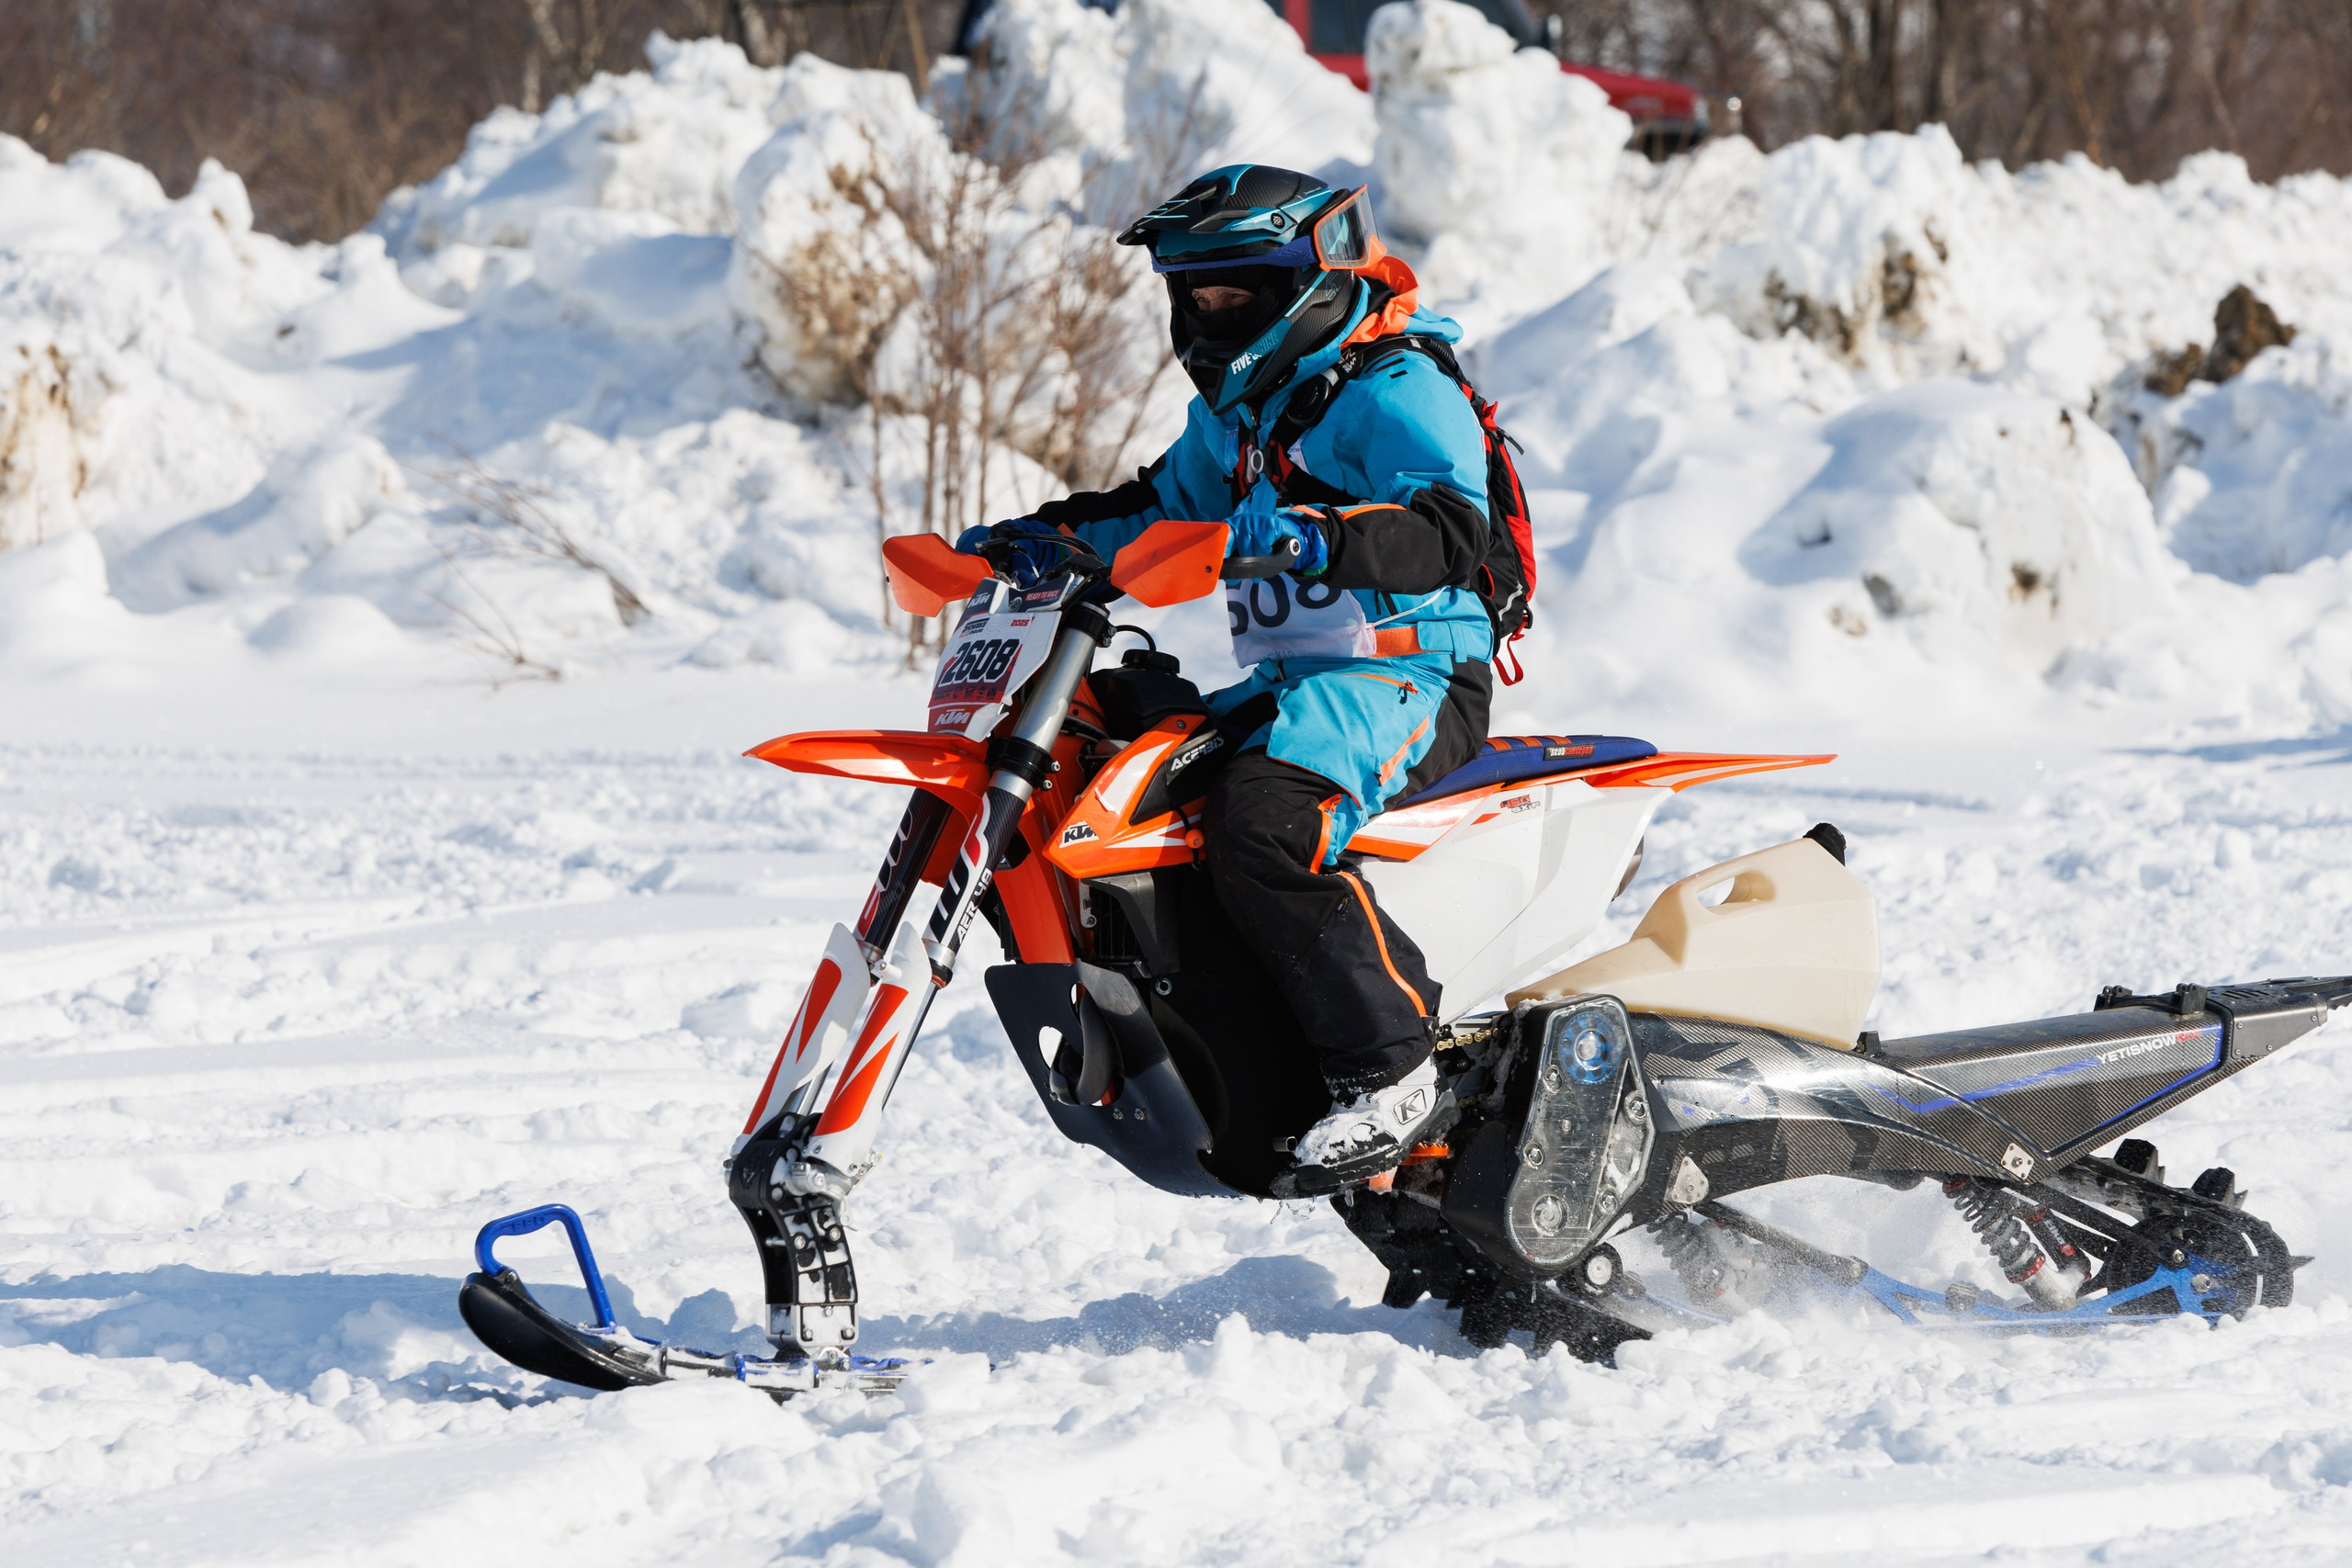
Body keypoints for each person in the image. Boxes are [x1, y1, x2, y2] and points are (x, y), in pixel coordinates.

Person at [958, 164, 1496, 1194]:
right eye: (1194, 296)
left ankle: (1390, 1068)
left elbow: (1444, 528)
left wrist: (1309, 539)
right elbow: (1159, 510)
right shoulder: (1245, 414)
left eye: (1234, 294)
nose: (1210, 315)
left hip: (1412, 672)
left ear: (1307, 283)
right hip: (1300, 685)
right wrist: (1040, 538)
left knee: (1260, 820)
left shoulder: (1395, 386)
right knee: (1126, 785)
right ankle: (1250, 1075)